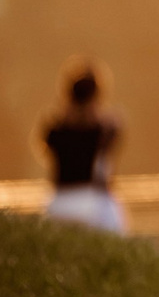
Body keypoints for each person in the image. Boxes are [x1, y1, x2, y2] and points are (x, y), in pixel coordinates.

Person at [41, 63, 127, 234]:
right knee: (117, 226)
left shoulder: (55, 130)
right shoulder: (103, 130)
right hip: (91, 201)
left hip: (58, 201)